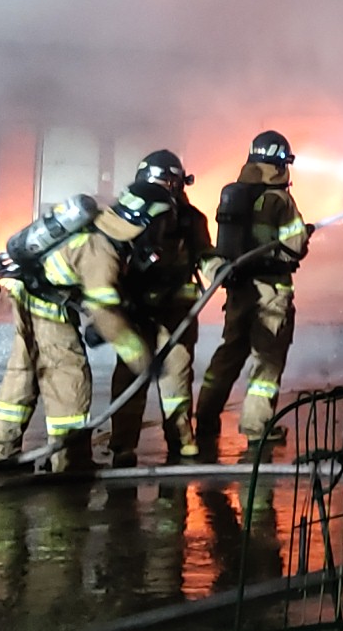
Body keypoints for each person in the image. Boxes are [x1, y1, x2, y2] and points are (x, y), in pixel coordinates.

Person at [0, 180, 172, 472]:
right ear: (146, 221)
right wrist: (142, 359)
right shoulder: (103, 249)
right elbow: (105, 311)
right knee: (69, 379)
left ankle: (1, 453)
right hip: (48, 309)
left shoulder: (101, 224)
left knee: (23, 375)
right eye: (161, 224)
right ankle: (69, 461)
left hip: (25, 294)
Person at [194, 130, 311, 440]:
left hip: (239, 289)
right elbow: (295, 246)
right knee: (267, 361)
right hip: (270, 292)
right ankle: (256, 427)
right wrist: (304, 234)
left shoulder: (235, 194)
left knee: (230, 353)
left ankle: (205, 417)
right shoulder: (279, 199)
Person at [107, 150, 220, 467]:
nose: (166, 190)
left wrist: (218, 268)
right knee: (130, 377)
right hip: (137, 311)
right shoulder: (129, 214)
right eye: (162, 183)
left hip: (177, 312)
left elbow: (204, 254)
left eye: (171, 183)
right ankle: (123, 445)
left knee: (177, 379)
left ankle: (181, 440)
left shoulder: (190, 218)